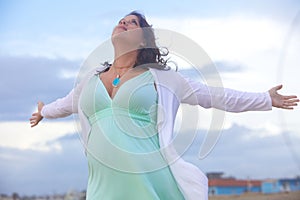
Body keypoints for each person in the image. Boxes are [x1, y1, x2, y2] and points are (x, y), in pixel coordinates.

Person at [30, 11, 299, 200]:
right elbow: (64, 105)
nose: (123, 23)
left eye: (132, 23)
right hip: (102, 181)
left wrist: (265, 99)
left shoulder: (165, 79)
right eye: (120, 20)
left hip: (151, 178)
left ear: (145, 39)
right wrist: (43, 111)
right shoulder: (89, 80)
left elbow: (217, 96)